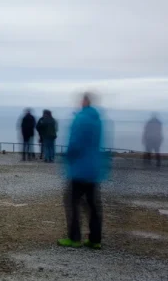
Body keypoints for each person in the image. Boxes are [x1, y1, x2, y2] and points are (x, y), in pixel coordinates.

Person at [58, 93, 108, 249]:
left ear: (84, 101)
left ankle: (74, 238)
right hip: (93, 168)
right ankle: (95, 240)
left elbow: (75, 143)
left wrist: (69, 158)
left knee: (71, 202)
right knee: (93, 205)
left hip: (80, 168)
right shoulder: (97, 120)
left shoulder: (80, 119)